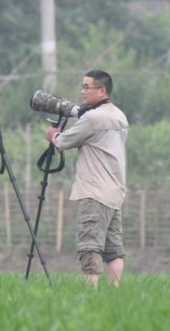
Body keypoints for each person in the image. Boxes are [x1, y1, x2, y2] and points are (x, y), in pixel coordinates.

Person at [46, 70, 129, 287]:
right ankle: (115, 294)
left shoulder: (92, 118)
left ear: (102, 90)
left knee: (89, 247)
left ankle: (90, 295)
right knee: (114, 251)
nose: (82, 92)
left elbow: (63, 142)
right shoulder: (120, 116)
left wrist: (52, 135)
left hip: (94, 191)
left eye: (87, 87)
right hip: (115, 192)